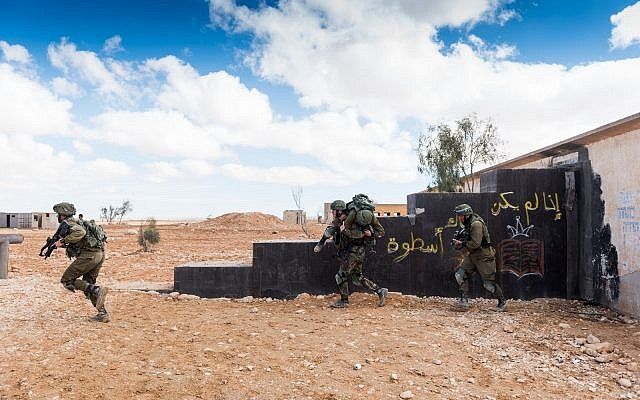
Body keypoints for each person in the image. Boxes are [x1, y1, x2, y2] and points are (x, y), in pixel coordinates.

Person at [315, 199, 388, 308]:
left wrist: (345, 230)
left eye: (334, 211)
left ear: (339, 211)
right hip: (354, 252)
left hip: (355, 252)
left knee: (340, 275)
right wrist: (321, 242)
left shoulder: (355, 220)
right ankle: (380, 290)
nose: (333, 213)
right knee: (357, 277)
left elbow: (360, 235)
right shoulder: (340, 220)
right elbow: (330, 230)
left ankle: (344, 301)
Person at [52, 202, 110, 322]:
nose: (57, 216)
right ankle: (103, 313)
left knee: (67, 280)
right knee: (88, 285)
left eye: (58, 214)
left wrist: (62, 242)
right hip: (98, 254)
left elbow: (80, 233)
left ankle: (98, 290)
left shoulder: (70, 223)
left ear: (62, 214)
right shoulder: (78, 222)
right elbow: (80, 240)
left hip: (89, 256)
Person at [451, 203, 507, 311]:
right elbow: (469, 240)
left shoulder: (476, 224)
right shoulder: (468, 224)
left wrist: (461, 243)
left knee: (488, 284)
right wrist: (459, 240)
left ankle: (502, 302)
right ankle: (464, 302)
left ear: (467, 215)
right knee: (460, 275)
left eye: (461, 216)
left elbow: (475, 244)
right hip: (473, 255)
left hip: (484, 256)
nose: (459, 218)